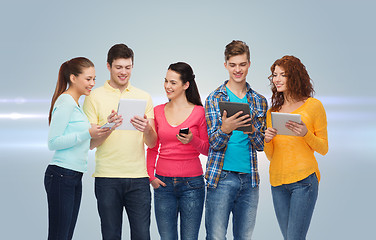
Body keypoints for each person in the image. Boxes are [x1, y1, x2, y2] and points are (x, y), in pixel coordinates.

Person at [82, 44, 157, 240]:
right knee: (110, 235)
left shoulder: (144, 97)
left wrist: (147, 128)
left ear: (132, 67)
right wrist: (109, 126)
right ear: (108, 66)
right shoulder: (94, 97)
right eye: (118, 67)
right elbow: (90, 144)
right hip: (107, 178)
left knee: (142, 235)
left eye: (128, 67)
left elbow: (152, 142)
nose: (124, 72)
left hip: (139, 179)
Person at [204, 40, 268, 240]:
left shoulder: (259, 101)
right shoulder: (214, 98)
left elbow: (260, 146)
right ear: (226, 65)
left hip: (250, 180)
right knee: (216, 237)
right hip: (221, 177)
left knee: (244, 237)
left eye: (242, 64)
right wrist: (225, 129)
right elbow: (213, 143)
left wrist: (252, 130)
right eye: (233, 65)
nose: (237, 70)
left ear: (249, 64)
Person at [264, 55, 329, 240]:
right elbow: (272, 156)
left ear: (295, 77)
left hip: (304, 182)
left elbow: (324, 148)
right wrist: (267, 140)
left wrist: (305, 134)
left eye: (282, 75)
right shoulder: (272, 113)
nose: (277, 79)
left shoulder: (313, 106)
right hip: (277, 183)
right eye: (274, 75)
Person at [45, 57, 110, 240]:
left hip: (73, 175)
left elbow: (86, 144)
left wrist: (108, 127)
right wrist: (87, 132)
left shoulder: (76, 105)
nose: (92, 84)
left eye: (94, 79)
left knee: (66, 236)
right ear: (73, 78)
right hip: (61, 175)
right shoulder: (65, 101)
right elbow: (53, 142)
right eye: (88, 79)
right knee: (59, 236)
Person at [147, 62, 209, 240]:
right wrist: (151, 176)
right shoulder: (157, 111)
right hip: (163, 185)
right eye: (166, 81)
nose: (167, 86)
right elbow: (152, 147)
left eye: (173, 82)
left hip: (193, 185)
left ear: (186, 85)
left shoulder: (199, 112)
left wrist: (192, 140)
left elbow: (207, 150)